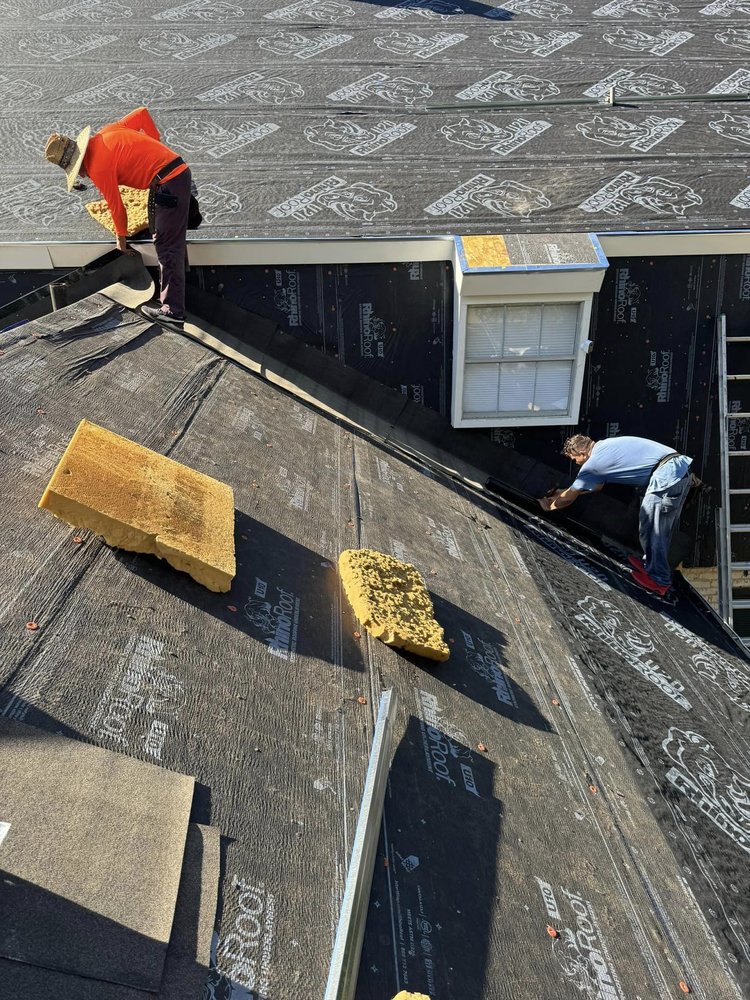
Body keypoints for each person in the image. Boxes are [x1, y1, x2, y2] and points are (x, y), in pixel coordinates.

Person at [44, 108, 191, 327]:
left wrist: (121, 241)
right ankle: (174, 303)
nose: (82, 176)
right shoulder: (108, 131)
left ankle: (173, 312)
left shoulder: (97, 168)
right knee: (170, 240)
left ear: (80, 163)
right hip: (176, 172)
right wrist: (155, 147)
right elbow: (142, 113)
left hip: (169, 184)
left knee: (167, 247)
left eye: (77, 171)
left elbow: (117, 208)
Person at [538, 433, 694, 596]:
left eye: (574, 459)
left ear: (582, 453)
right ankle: (651, 567)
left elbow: (569, 498)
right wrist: (563, 492)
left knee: (652, 529)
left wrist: (549, 506)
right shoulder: (604, 446)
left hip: (666, 476)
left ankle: (659, 581)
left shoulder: (593, 464)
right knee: (659, 528)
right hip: (679, 471)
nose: (576, 463)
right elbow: (595, 487)